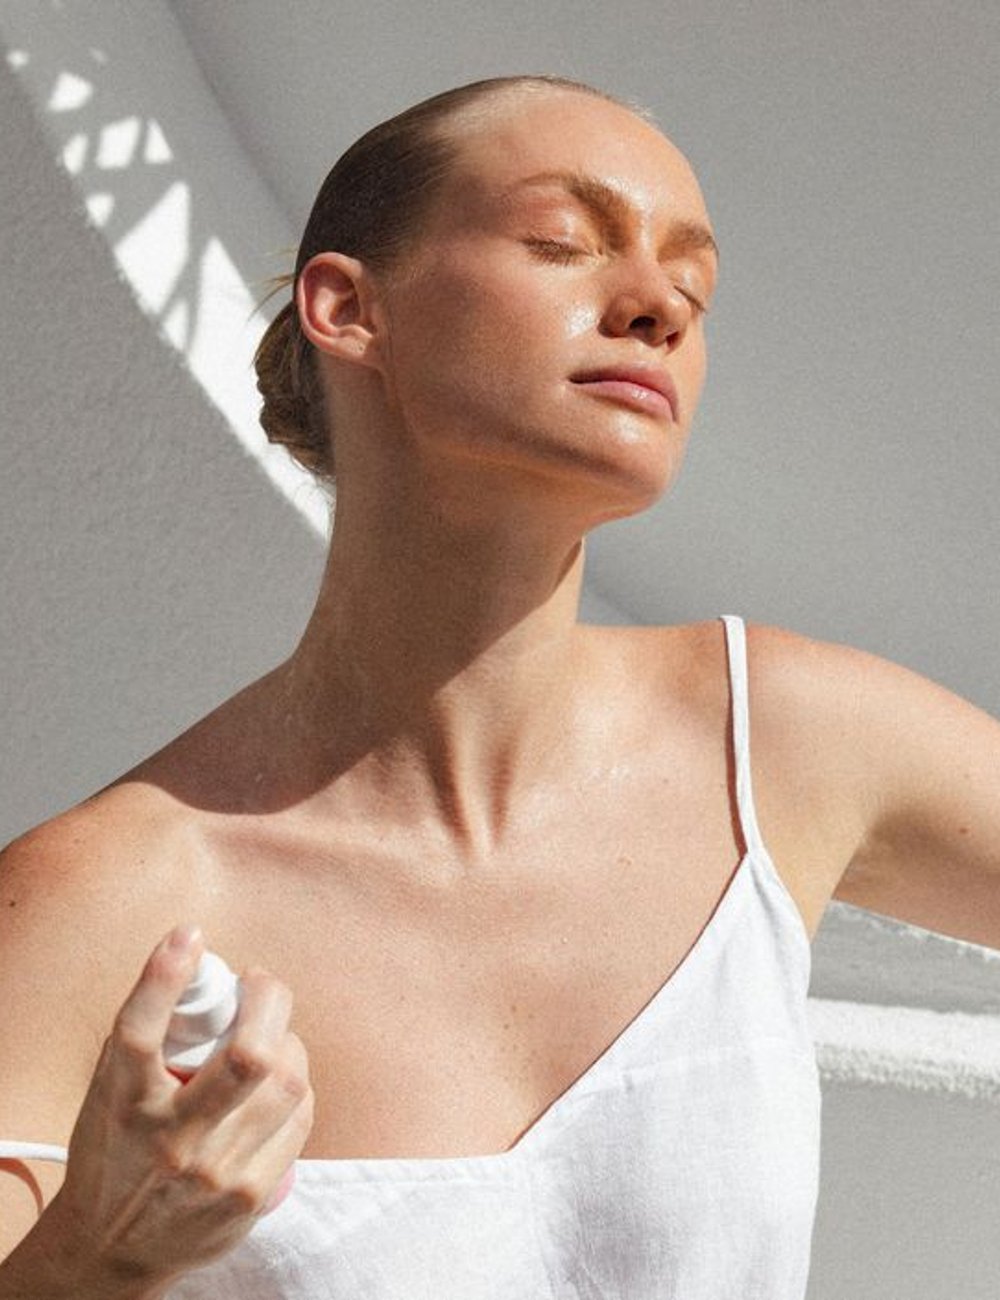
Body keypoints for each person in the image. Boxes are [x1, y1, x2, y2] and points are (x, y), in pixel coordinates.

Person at [1, 72, 998, 1300]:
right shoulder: (106, 902)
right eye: (564, 244)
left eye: (694, 285)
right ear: (346, 306)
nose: (657, 307)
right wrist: (99, 1256)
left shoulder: (782, 738)